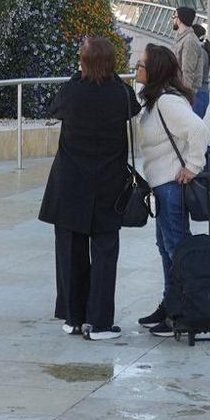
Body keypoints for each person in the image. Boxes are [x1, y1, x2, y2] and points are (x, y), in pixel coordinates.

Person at [38, 35, 136, 339]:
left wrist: (78, 76)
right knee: (105, 253)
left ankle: (73, 315)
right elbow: (132, 106)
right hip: (108, 184)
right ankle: (100, 321)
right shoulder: (121, 93)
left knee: (69, 251)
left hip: (70, 184)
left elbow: (54, 108)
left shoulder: (73, 92)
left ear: (84, 62)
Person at [133, 43, 207, 335]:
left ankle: (183, 311)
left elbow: (198, 129)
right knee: (166, 248)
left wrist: (193, 166)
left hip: (171, 186)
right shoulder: (154, 100)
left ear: (154, 71)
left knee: (176, 249)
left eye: (141, 64)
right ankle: (170, 305)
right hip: (161, 186)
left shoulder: (167, 101)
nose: (137, 68)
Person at [174, 6, 210, 119]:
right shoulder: (181, 38)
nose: (173, 19)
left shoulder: (189, 40)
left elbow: (188, 71)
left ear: (179, 19)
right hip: (186, 94)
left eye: (174, 16)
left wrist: (185, 99)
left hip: (191, 96)